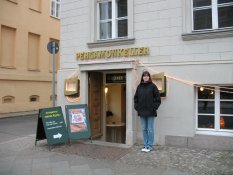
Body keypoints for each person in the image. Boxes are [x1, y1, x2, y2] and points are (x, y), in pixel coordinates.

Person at [134, 70, 161, 152]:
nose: (145, 77)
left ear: (149, 77)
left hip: (151, 112)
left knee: (150, 129)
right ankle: (145, 145)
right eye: (144, 76)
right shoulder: (139, 87)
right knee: (144, 129)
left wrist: (154, 107)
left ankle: (150, 145)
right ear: (142, 77)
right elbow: (136, 98)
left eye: (147, 75)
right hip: (142, 111)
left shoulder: (153, 86)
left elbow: (158, 99)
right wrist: (137, 107)